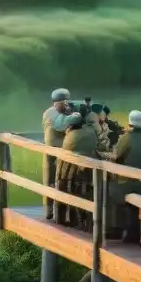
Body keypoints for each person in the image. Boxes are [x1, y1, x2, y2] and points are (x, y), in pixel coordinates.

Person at [108, 110, 141, 244]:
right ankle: (139, 235)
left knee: (110, 189)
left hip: (127, 183)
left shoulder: (126, 138)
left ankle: (119, 231)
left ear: (130, 124)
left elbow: (116, 156)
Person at [60, 104, 101, 229]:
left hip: (70, 170)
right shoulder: (91, 131)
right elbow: (96, 145)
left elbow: (65, 148)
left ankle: (68, 220)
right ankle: (86, 221)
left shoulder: (71, 135)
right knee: (85, 193)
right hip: (89, 170)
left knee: (68, 191)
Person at [43, 88, 73, 220]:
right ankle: (49, 210)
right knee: (50, 180)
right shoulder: (51, 113)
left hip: (63, 152)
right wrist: (72, 116)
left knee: (61, 181)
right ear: (56, 103)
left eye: (67, 102)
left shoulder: (64, 112)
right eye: (63, 102)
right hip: (52, 151)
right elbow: (60, 126)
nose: (66, 104)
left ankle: (62, 212)